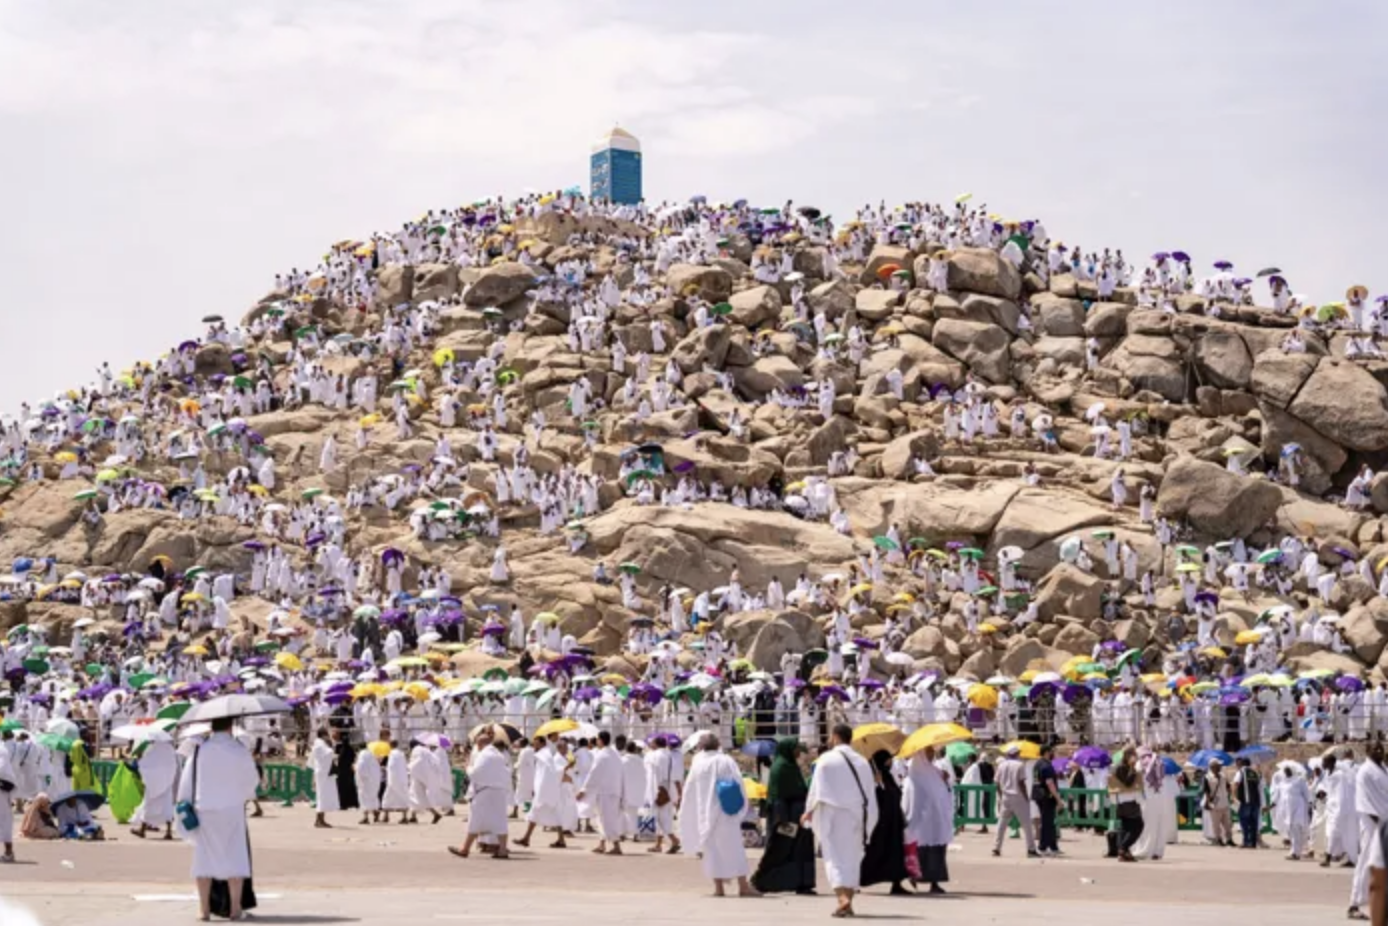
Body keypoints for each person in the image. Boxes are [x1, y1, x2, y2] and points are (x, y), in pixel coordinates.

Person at [175, 715, 261, 922]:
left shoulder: (199, 750)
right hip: (231, 808)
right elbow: (252, 781)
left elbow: (187, 780)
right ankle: (235, 908)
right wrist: (244, 794)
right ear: (231, 726)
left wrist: (184, 803)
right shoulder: (239, 750)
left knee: (204, 856)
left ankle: (203, 910)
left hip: (204, 807)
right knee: (235, 855)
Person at [804, 724, 879, 918]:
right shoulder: (863, 762)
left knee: (834, 857)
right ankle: (849, 902)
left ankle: (842, 899)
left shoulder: (826, 760)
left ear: (835, 737)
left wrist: (808, 811)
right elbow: (870, 795)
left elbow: (816, 790)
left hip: (832, 815)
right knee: (853, 858)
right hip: (856, 816)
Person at [678, 733, 756, 898]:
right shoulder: (725, 760)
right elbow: (738, 783)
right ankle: (743, 886)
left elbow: (689, 789)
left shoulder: (697, 763)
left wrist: (687, 810)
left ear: (701, 747)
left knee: (712, 851)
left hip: (705, 814)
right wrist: (742, 807)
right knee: (734, 849)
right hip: (725, 813)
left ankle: (719, 888)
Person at [751, 737, 816, 895]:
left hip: (796, 816)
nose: (798, 752)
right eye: (796, 749)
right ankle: (764, 881)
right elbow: (782, 795)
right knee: (782, 849)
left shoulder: (790, 765)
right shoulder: (782, 767)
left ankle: (802, 883)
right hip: (785, 818)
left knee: (800, 850)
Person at [450, 726, 512, 860]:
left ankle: (465, 849)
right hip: (499, 791)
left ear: (480, 744)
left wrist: (468, 768)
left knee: (475, 820)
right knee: (500, 821)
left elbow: (476, 774)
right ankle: (502, 849)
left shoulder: (484, 755)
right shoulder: (498, 755)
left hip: (485, 792)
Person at [902, 748, 951, 893]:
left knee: (937, 851)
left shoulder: (935, 771)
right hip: (920, 822)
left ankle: (934, 882)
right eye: (928, 752)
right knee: (919, 851)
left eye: (932, 752)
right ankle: (914, 878)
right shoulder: (913, 774)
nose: (931, 755)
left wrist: (944, 780)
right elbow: (910, 799)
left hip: (935, 820)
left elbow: (942, 793)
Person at [860, 749, 910, 894]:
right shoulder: (873, 778)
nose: (891, 762)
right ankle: (857, 879)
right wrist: (876, 784)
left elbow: (895, 794)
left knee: (896, 853)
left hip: (894, 822)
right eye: (888, 760)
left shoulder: (887, 776)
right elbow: (871, 798)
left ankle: (897, 883)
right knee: (876, 852)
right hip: (880, 824)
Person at [1351, 741, 1388, 920]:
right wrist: (1380, 826)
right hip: (1372, 823)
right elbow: (1366, 801)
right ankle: (1355, 903)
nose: (1379, 751)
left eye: (1381, 748)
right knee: (1367, 862)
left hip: (1383, 824)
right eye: (1375, 748)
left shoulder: (1383, 769)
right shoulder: (1365, 771)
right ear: (1367, 751)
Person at [576, 730, 625, 855]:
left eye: (597, 739)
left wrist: (583, 790)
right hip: (613, 791)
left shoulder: (602, 755)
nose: (596, 742)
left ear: (601, 740)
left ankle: (616, 846)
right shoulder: (615, 754)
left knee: (607, 820)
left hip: (605, 792)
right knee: (602, 818)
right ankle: (602, 844)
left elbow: (594, 774)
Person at [992, 744, 1037, 857]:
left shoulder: (1001, 765)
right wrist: (1026, 797)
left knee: (1001, 824)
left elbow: (996, 782)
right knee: (1026, 825)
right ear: (1017, 754)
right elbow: (1021, 783)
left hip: (1006, 796)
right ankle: (1031, 849)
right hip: (1018, 796)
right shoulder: (1019, 765)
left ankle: (996, 848)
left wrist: (1001, 794)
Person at [132, 736, 178, 840]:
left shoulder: (151, 749)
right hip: (167, 782)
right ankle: (168, 832)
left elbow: (145, 765)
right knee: (167, 807)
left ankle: (142, 830)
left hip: (153, 783)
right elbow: (173, 765)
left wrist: (139, 757)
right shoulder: (170, 749)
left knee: (148, 805)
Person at [644, 734, 682, 855]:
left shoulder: (653, 755)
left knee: (660, 819)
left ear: (655, 744)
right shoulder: (669, 755)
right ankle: (659, 844)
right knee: (663, 817)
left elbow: (649, 773)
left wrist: (651, 791)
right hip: (668, 788)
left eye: (652, 742)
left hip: (657, 788)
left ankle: (674, 840)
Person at [1109, 747, 1145, 862]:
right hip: (1127, 802)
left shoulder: (1123, 767)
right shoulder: (1121, 767)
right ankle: (1123, 848)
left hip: (1123, 802)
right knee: (1138, 825)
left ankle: (1124, 851)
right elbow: (1128, 782)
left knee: (1126, 827)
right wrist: (1133, 769)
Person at [1033, 743, 1062, 856]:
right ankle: (1043, 846)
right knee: (1047, 822)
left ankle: (1053, 846)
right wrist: (1058, 799)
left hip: (1038, 795)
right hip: (1047, 796)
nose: (1052, 754)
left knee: (1049, 822)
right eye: (1051, 752)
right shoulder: (1047, 766)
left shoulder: (1037, 764)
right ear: (1047, 752)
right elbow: (1050, 783)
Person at [309, 729, 341, 828]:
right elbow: (327, 754)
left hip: (324, 773)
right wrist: (333, 747)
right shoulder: (319, 744)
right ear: (323, 735)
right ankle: (319, 820)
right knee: (322, 796)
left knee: (324, 796)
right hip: (323, 773)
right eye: (327, 735)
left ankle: (320, 819)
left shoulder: (322, 744)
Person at [1233, 757, 1263, 849]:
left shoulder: (1241, 772)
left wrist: (1233, 797)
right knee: (1254, 823)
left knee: (1245, 822)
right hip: (1256, 801)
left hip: (1245, 801)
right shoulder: (1254, 773)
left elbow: (1236, 784)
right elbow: (1259, 788)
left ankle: (1246, 842)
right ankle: (1253, 843)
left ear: (1242, 764)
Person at [1203, 759, 1234, 847]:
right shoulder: (1207, 777)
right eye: (1218, 766)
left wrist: (1231, 796)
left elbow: (1228, 787)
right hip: (1215, 804)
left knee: (1228, 823)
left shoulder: (1223, 776)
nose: (1220, 767)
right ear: (1212, 767)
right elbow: (1206, 791)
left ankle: (1229, 839)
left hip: (1225, 802)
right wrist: (1209, 802)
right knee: (1216, 824)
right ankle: (1218, 839)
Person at [0, 742, 15, 861]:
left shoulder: (2, 750)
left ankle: (9, 852)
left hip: (2, 792)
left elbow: (2, 769)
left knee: (4, 822)